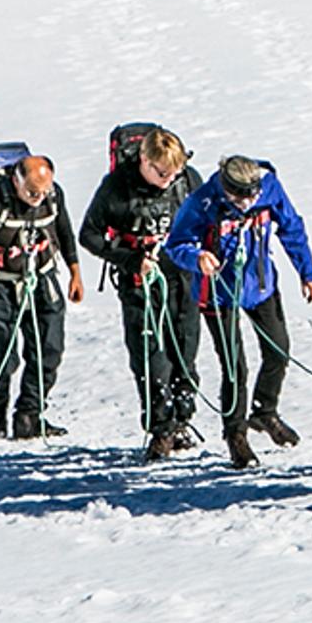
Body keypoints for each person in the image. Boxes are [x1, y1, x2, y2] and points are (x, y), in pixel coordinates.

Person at [167, 154, 312, 466]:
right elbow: (176, 244)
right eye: (239, 197)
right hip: (217, 294)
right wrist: (196, 257)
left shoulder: (269, 188)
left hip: (260, 286)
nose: (246, 203)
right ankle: (235, 434)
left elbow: (291, 227)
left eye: (252, 196)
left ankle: (265, 412)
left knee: (279, 352)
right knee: (235, 368)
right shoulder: (203, 202)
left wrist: (308, 272)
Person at [81, 127, 208, 459]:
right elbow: (89, 235)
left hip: (182, 275)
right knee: (150, 356)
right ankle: (160, 428)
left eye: (174, 172)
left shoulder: (189, 179)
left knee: (185, 348)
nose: (168, 179)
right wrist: (130, 259)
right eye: (162, 172)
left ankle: (182, 418)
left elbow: (208, 217)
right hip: (139, 280)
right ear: (145, 160)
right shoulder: (116, 187)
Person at [0, 151, 83, 440]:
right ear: (16, 180)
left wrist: (75, 271)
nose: (38, 197)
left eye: (43, 191)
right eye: (32, 191)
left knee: (49, 349)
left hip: (40, 278)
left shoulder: (53, 196)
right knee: (2, 358)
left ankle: (29, 416)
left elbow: (64, 231)